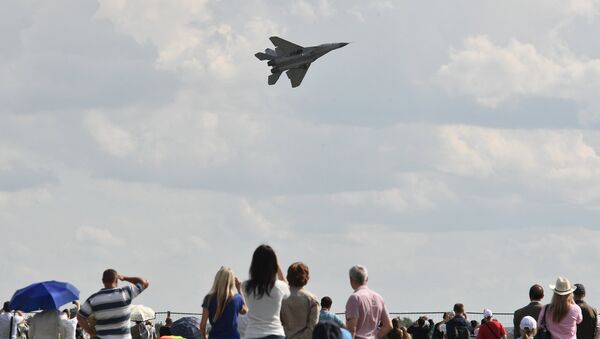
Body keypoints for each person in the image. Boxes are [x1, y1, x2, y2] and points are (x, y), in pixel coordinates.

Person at [77, 269, 149, 339]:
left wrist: (91, 333)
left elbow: (80, 317)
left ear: (103, 281)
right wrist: (124, 278)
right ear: (116, 280)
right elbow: (144, 283)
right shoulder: (125, 293)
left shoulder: (93, 299)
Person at [242, 244, 290, 339]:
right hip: (275, 333)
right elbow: (288, 291)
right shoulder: (279, 286)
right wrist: (278, 267)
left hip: (252, 333)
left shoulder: (246, 286)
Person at [344, 265, 392, 339]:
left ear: (351, 279)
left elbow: (352, 329)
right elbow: (388, 325)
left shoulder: (355, 298)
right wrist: (376, 337)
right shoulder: (378, 297)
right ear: (367, 279)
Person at [199, 266, 248, 339]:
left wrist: (204, 337)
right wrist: (239, 290)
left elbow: (202, 325)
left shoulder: (209, 299)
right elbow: (245, 311)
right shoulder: (237, 298)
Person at [281, 262, 320, 339]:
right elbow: (313, 328)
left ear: (288, 277)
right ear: (306, 278)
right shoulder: (312, 299)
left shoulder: (280, 298)